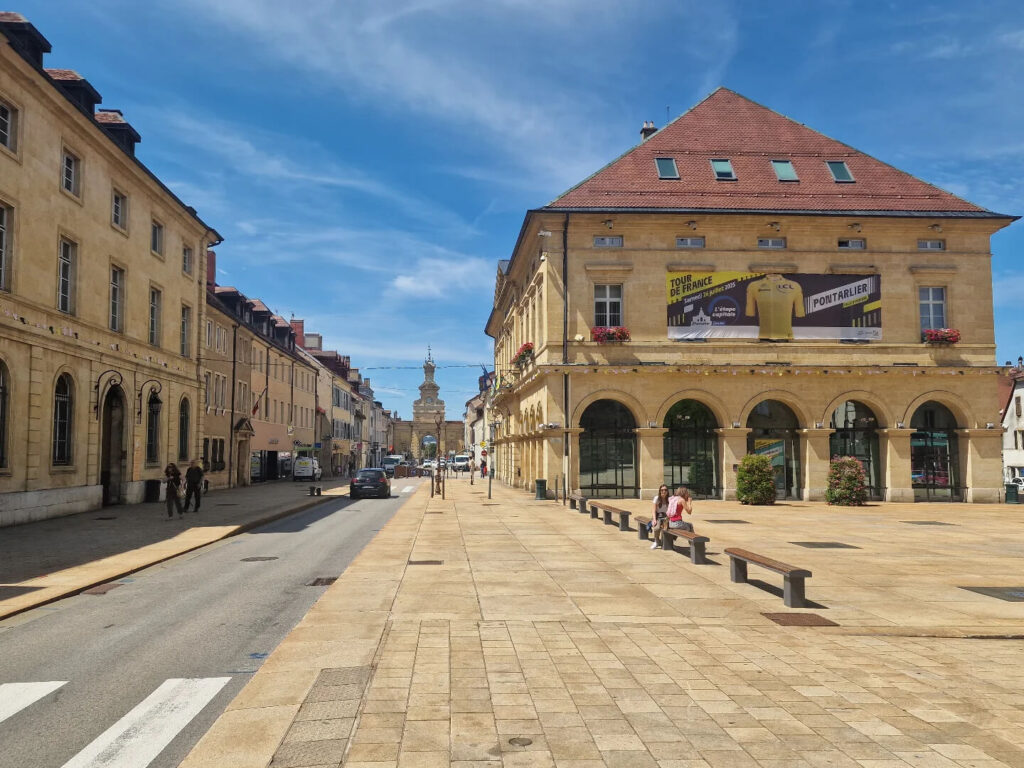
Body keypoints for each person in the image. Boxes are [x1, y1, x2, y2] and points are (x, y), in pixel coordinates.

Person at [650, 484, 671, 549]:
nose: (663, 491)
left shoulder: (670, 499)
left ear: (667, 491)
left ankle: (667, 542)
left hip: (666, 517)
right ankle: (656, 541)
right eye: (662, 490)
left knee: (669, 528)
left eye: (665, 490)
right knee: (656, 528)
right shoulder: (657, 498)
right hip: (658, 516)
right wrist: (654, 519)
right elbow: (653, 510)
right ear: (659, 491)